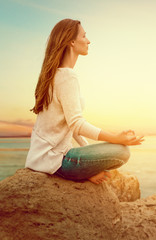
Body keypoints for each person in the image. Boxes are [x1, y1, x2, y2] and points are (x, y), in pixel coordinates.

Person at [25, 18, 144, 184]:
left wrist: (88, 165)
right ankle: (74, 172)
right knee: (122, 151)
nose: (88, 41)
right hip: (55, 160)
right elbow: (77, 124)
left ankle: (79, 172)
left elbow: (72, 128)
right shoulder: (67, 76)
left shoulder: (55, 75)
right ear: (72, 42)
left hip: (44, 158)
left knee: (118, 149)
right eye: (84, 36)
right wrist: (114, 138)